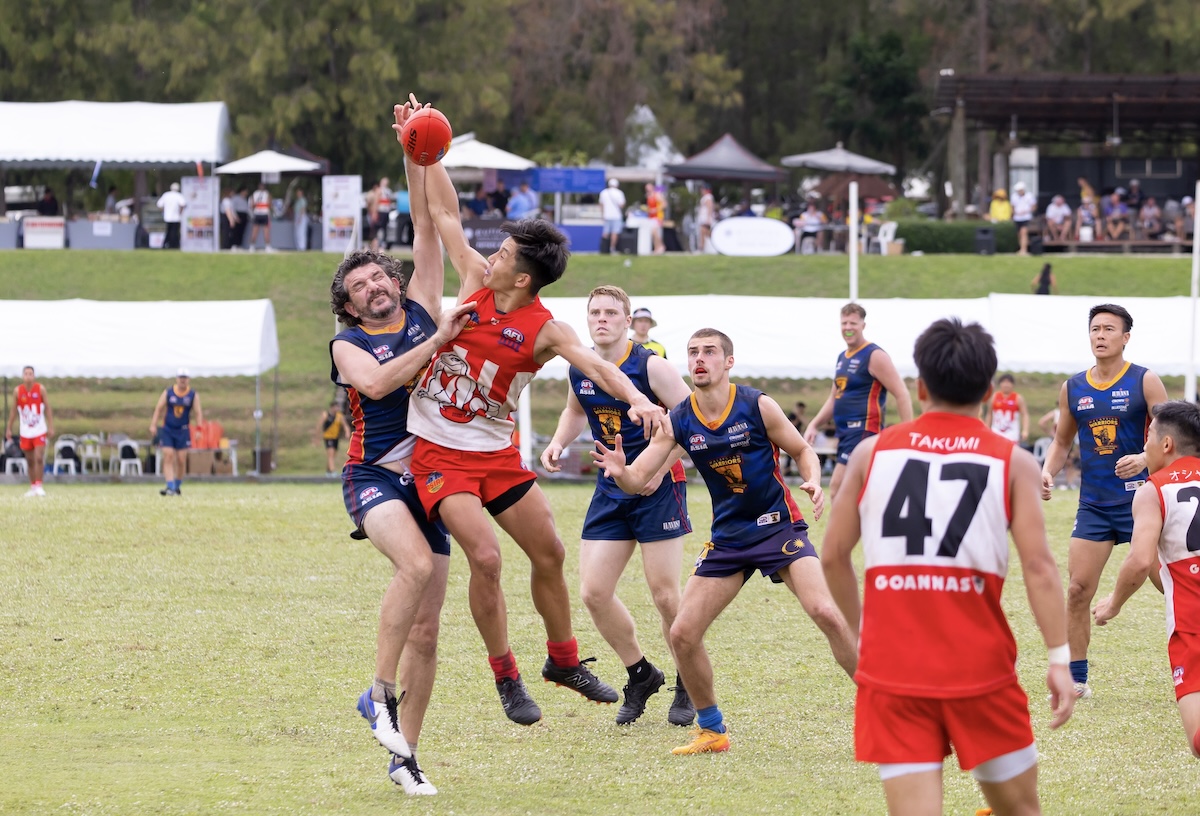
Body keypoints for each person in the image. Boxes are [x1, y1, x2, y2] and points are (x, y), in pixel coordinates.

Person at [401, 93, 667, 726]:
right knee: (487, 558)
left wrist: (638, 399)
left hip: (495, 454)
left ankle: (563, 661)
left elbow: (598, 366)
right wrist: (421, 147)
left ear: (523, 279)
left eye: (503, 256)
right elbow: (442, 211)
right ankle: (507, 677)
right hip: (439, 455)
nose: (490, 257)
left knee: (549, 553)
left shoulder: (546, 329)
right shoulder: (474, 280)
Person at [821, 317, 1075, 816]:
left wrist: (863, 631)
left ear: (920, 387)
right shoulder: (1014, 461)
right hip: (980, 669)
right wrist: (1059, 659)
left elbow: (832, 556)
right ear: (988, 391)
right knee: (1021, 811)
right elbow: (1040, 567)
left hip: (893, 669)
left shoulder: (871, 453)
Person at [591, 328, 857, 755]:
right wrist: (621, 470)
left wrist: (812, 479)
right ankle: (712, 730)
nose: (699, 359)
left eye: (709, 352)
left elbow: (802, 450)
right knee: (682, 633)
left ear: (728, 361)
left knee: (826, 612)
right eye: (693, 352)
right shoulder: (679, 418)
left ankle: (885, 705)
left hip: (778, 527)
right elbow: (638, 479)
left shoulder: (756, 404)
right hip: (729, 538)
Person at [333, 107, 478, 794]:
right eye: (359, 287)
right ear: (350, 306)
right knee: (415, 565)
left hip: (430, 478)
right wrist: (440, 341)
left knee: (428, 629)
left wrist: (417, 152)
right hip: (373, 475)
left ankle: (406, 756)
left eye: (378, 277)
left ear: (395, 281)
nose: (374, 287)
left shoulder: (422, 300)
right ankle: (377, 693)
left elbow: (426, 222)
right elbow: (380, 383)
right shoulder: (349, 345)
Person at [539, 285, 696, 727]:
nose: (602, 319)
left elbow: (692, 419)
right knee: (593, 592)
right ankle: (641, 674)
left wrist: (657, 468)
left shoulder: (651, 366)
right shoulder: (580, 365)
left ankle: (688, 679)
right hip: (610, 488)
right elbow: (575, 410)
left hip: (657, 489)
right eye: (595, 313)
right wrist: (557, 442)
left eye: (611, 313)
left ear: (628, 321)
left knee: (665, 595)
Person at [1039, 303, 1168, 697]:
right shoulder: (1073, 387)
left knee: (1172, 586)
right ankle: (1077, 680)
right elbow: (1061, 441)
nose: (1100, 335)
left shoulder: (1145, 380)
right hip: (1094, 505)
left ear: (1125, 337)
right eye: (1095, 328)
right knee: (1078, 590)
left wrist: (1144, 458)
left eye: (1109, 329)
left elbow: (1173, 436)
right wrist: (1047, 471)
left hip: (1143, 502)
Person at [1093, 401, 1200, 760]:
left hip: (1192, 623)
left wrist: (1113, 604)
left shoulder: (1154, 490)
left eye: (1149, 436)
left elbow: (1140, 560)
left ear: (1166, 444)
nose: (1145, 445)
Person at [805, 303, 913, 501]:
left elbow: (902, 393)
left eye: (853, 323)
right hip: (845, 434)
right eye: (844, 323)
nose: (848, 327)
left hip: (864, 431)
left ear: (863, 325)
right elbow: (834, 398)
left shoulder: (874, 355)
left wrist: (908, 434)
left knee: (838, 487)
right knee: (863, 490)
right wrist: (814, 424)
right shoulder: (842, 358)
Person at [150, 369, 205, 496]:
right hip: (168, 429)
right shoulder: (168, 392)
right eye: (180, 377)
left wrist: (199, 429)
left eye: (185, 378)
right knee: (168, 455)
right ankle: (170, 486)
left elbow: (198, 413)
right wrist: (153, 424)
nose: (182, 380)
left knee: (181, 459)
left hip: (183, 430)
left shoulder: (192, 395)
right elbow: (159, 408)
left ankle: (177, 485)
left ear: (188, 379)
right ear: (176, 379)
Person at [5, 365, 53, 497]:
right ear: (22, 376)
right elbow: (14, 411)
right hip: (25, 431)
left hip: (39, 429)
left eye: (30, 374)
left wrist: (51, 426)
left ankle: (39, 485)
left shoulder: (40, 389)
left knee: (39, 457)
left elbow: (47, 408)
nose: (28, 376)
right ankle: (33, 486)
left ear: (34, 376)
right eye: (26, 374)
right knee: (30, 460)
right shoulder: (18, 391)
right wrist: (9, 428)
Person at [983, 373, 1030, 447]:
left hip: (1012, 432)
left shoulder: (1018, 398)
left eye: (1008, 382)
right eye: (1004, 382)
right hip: (996, 431)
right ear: (1000, 384)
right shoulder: (994, 397)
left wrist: (1025, 430)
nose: (1006, 385)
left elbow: (1025, 414)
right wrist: (987, 428)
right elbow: (989, 414)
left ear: (1012, 384)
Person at [318, 400, 351, 476]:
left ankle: (328, 471)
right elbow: (319, 426)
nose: (337, 409)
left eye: (338, 407)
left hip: (335, 437)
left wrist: (347, 432)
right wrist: (317, 437)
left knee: (333, 454)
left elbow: (345, 425)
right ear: (332, 407)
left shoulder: (339, 416)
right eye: (336, 407)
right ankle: (333, 471)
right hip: (328, 437)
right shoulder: (326, 415)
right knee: (331, 454)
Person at [598, 179, 626, 254]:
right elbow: (622, 205)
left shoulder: (603, 192)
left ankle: (604, 249)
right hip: (616, 215)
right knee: (615, 232)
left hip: (606, 215)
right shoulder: (619, 193)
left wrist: (602, 214)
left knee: (605, 232)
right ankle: (612, 248)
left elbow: (601, 204)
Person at [157, 182, 186, 250]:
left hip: (167, 217)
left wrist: (163, 212)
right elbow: (183, 205)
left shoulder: (166, 195)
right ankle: (174, 245)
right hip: (176, 217)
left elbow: (159, 205)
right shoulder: (178, 195)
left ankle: (166, 245)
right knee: (175, 232)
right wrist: (180, 213)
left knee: (168, 232)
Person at [249, 182, 273, 252]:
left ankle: (252, 247)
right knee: (266, 231)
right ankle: (267, 247)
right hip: (265, 213)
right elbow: (270, 204)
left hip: (257, 213)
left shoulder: (254, 194)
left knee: (254, 231)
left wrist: (257, 207)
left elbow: (252, 205)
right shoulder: (267, 193)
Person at [643, 183, 666, 254]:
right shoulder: (648, 196)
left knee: (654, 231)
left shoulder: (657, 195)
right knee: (653, 233)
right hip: (651, 216)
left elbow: (664, 204)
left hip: (657, 216)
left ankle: (660, 246)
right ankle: (657, 247)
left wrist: (656, 210)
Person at [376, 177, 394, 248]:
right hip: (381, 211)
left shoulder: (389, 191)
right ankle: (378, 241)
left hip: (386, 211)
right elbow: (377, 201)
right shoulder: (379, 190)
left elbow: (390, 201)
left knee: (385, 227)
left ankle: (384, 241)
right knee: (380, 226)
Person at [696, 185, 715, 253]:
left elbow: (709, 208)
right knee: (705, 233)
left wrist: (708, 218)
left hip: (705, 218)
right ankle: (704, 247)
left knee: (704, 232)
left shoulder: (708, 197)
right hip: (703, 218)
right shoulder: (705, 197)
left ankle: (701, 248)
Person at [293, 187, 309, 252]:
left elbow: (303, 209)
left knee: (301, 232)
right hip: (297, 216)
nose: (297, 194)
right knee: (297, 233)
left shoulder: (302, 200)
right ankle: (299, 247)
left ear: (301, 193)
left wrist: (300, 218)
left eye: (299, 192)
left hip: (301, 216)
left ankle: (302, 247)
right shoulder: (298, 200)